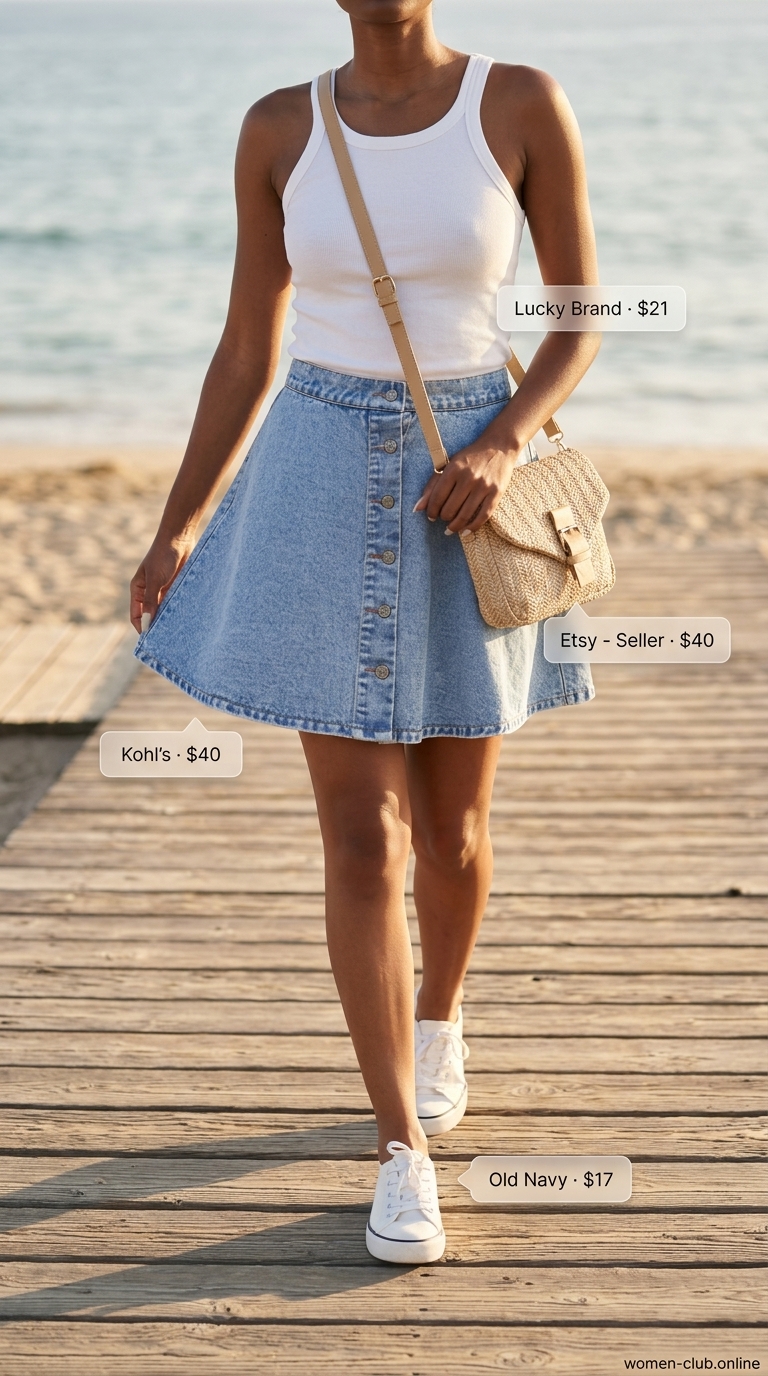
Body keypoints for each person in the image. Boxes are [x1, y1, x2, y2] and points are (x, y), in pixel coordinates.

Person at [130, 0, 600, 1265]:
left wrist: (505, 444)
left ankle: (440, 1017)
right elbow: (247, 342)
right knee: (359, 833)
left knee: (451, 829)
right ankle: (402, 1146)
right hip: (315, 474)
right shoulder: (280, 126)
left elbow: (579, 317)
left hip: (469, 479)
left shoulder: (521, 101)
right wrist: (179, 524)